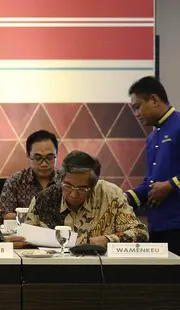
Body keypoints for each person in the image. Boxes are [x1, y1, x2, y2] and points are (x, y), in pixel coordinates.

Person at [26, 151, 148, 244]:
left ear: (93, 185)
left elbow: (141, 233)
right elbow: (27, 238)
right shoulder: (44, 199)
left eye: (82, 189)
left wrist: (106, 240)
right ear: (61, 179)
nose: (73, 194)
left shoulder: (111, 195)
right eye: (68, 186)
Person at [125, 76, 180, 253]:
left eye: (137, 106)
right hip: (156, 226)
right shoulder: (152, 138)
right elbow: (150, 184)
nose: (136, 114)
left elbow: (163, 185)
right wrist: (121, 199)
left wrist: (170, 185)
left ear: (155, 100)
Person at [0, 130, 60, 221]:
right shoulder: (16, 181)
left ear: (56, 155)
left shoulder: (65, 181)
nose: (44, 164)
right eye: (38, 158)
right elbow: (4, 215)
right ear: (28, 155)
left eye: (49, 157)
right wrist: (34, 218)